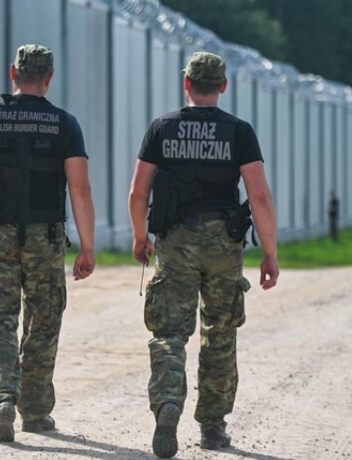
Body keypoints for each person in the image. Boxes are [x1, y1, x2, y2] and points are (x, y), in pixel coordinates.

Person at [128, 51, 279, 458]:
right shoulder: (239, 132)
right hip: (224, 243)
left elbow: (138, 193)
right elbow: (259, 195)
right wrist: (270, 253)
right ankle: (212, 426)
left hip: (176, 240)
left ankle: (168, 403)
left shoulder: (162, 128)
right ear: (223, 86)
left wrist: (141, 237)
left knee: (169, 332)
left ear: (187, 84)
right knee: (220, 332)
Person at [0, 44, 96, 443]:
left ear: (13, 74)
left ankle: (2, 399)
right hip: (45, 237)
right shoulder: (65, 125)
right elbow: (79, 190)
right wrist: (87, 246)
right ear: (49, 78)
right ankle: (34, 411)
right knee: (43, 320)